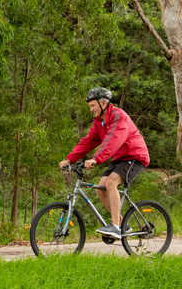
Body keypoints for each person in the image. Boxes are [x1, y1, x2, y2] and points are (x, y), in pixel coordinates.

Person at [59, 87, 150, 239]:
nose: (91, 109)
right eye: (89, 106)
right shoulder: (98, 122)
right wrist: (70, 159)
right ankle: (122, 224)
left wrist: (96, 158)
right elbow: (87, 142)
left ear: (103, 103)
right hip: (120, 158)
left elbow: (113, 139)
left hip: (135, 156)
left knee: (111, 182)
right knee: (101, 188)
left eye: (92, 106)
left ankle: (115, 226)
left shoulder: (118, 116)